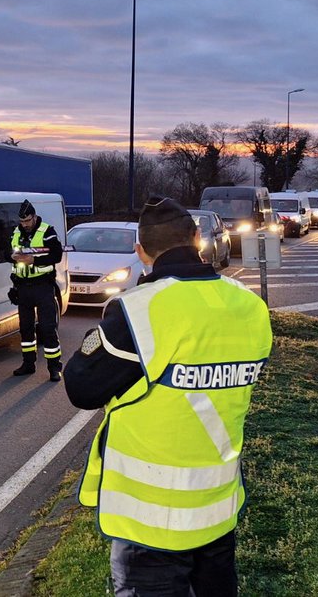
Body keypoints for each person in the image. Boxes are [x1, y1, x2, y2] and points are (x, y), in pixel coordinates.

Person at [64, 195, 273, 597]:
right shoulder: (249, 305)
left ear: (140, 251)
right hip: (217, 509)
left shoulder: (138, 311)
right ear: (197, 238)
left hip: (150, 523)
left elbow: (82, 387)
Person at [8, 199, 64, 381]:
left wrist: (34, 261)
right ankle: (28, 364)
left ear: (34, 216)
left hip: (43, 286)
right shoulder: (17, 232)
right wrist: (12, 257)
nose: (25, 225)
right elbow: (5, 252)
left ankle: (54, 367)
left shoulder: (47, 231)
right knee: (25, 329)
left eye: (27, 221)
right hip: (23, 287)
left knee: (47, 328)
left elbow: (56, 255)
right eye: (22, 222)